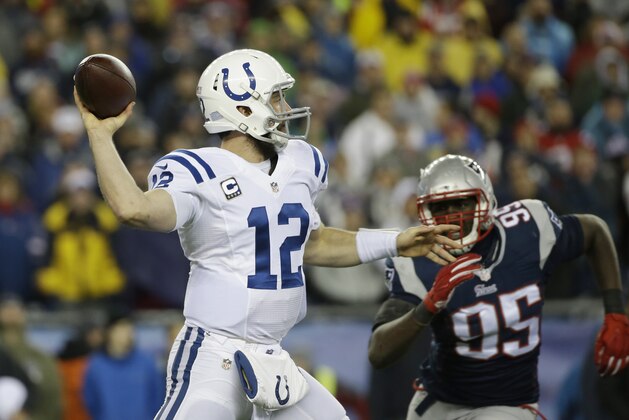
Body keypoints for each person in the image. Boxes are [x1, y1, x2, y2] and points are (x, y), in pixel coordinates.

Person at [73, 48, 459, 420]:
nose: (286, 109)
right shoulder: (200, 170)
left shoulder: (299, 163)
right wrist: (100, 135)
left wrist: (395, 240)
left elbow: (314, 243)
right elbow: (134, 209)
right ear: (242, 110)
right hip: (212, 354)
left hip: (272, 358)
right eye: (276, 99)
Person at [367, 154, 629, 420]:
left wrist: (615, 312)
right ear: (425, 213)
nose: (452, 217)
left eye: (461, 203)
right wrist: (428, 305)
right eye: (441, 207)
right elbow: (379, 351)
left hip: (507, 404)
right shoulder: (418, 262)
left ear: (485, 200)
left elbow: (595, 230)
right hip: (439, 402)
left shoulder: (528, 229)